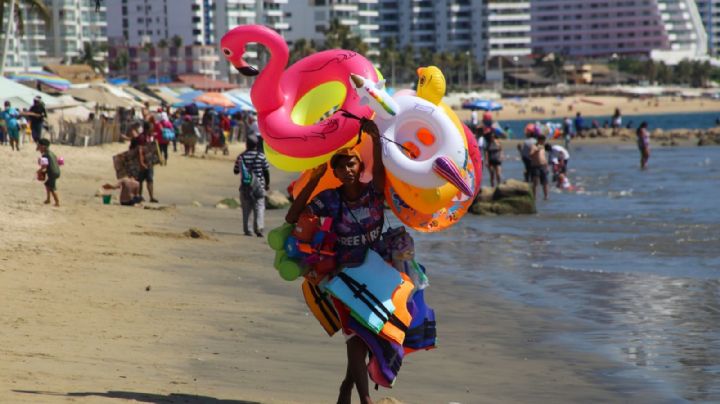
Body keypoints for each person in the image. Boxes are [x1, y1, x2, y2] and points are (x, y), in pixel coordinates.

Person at [285, 120, 385, 404]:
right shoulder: (330, 198)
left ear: (360, 166)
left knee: (370, 334)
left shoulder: (374, 191)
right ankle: (365, 398)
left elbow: (380, 168)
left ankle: (346, 386)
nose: (348, 169)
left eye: (352, 164)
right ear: (336, 172)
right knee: (355, 334)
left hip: (379, 271)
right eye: (341, 166)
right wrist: (315, 179)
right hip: (344, 275)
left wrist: (375, 138)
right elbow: (292, 218)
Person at [234, 135, 270, 237]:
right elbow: (266, 171)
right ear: (256, 145)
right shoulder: (261, 156)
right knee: (259, 207)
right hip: (259, 186)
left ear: (246, 144)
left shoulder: (241, 157)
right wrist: (267, 184)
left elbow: (235, 171)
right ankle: (259, 228)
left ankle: (248, 230)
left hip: (246, 186)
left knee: (246, 208)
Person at [137, 121, 159, 203]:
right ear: (147, 129)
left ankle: (151, 197)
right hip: (142, 161)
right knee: (140, 179)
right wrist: (141, 162)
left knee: (150, 179)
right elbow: (140, 150)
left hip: (149, 161)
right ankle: (139, 196)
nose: (153, 129)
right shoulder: (142, 137)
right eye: (151, 127)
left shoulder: (150, 137)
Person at [37, 139, 60, 206]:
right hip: (56, 171)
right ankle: (48, 199)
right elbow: (57, 162)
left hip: (52, 173)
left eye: (39, 146)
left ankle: (57, 202)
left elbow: (44, 166)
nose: (38, 148)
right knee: (47, 184)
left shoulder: (45, 155)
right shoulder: (52, 153)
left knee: (52, 188)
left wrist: (39, 171)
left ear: (43, 147)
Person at [529, 134, 549, 201]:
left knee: (545, 183)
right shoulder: (534, 146)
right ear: (539, 140)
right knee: (535, 183)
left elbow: (544, 156)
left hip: (543, 166)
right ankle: (534, 197)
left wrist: (547, 165)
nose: (544, 142)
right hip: (535, 166)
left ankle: (546, 197)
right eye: (543, 140)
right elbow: (530, 155)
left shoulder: (543, 146)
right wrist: (536, 150)